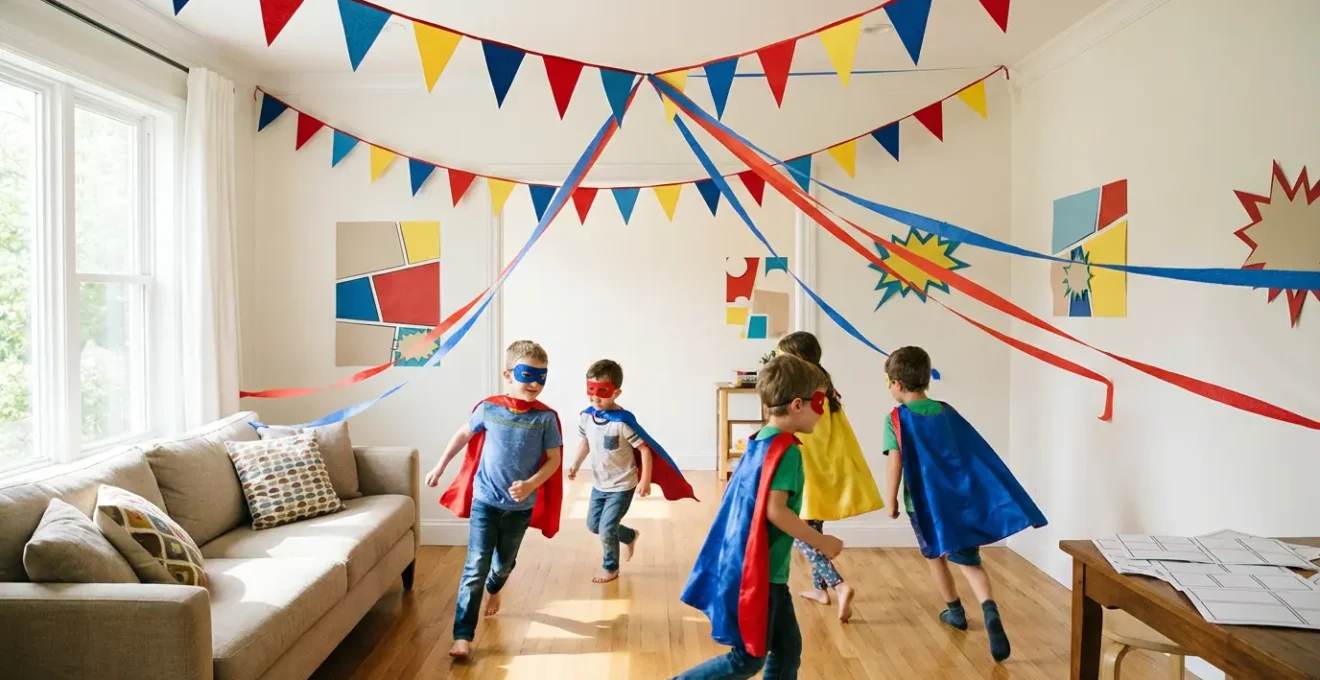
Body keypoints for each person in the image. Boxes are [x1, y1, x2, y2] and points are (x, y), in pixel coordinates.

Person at [673, 354, 843, 679]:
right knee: (747, 659)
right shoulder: (788, 452)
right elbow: (775, 511)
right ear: (797, 405)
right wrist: (821, 541)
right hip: (762, 576)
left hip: (759, 568)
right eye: (820, 403)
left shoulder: (760, 441)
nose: (824, 413)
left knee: (787, 649)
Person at [881, 346, 1047, 663]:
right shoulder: (946, 411)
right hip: (958, 502)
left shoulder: (896, 420)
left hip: (924, 506)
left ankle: (955, 612)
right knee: (971, 563)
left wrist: (890, 502)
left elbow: (895, 464)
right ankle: (989, 609)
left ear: (897, 384)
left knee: (936, 558)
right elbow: (970, 453)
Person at [425, 340, 564, 661]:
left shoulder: (545, 419)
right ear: (508, 373)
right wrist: (441, 465)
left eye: (541, 377)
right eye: (527, 374)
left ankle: (497, 588)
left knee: (503, 565)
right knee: (475, 566)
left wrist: (531, 484)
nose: (534, 383)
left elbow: (554, 460)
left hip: (519, 509)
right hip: (485, 501)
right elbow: (463, 435)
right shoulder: (489, 408)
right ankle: (463, 636)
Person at [774, 332, 883, 623]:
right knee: (814, 526)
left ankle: (839, 585)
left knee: (800, 531)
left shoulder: (802, 392)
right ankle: (819, 590)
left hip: (807, 464)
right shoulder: (826, 386)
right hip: (827, 466)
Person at [568, 359, 697, 583]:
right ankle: (629, 535)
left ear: (616, 392)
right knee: (594, 525)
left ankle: (610, 567)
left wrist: (644, 481)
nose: (595, 397)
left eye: (602, 391)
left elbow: (645, 451)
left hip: (622, 485)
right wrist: (575, 464)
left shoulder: (623, 423)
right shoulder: (586, 417)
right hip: (599, 484)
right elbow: (585, 443)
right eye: (591, 390)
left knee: (607, 528)